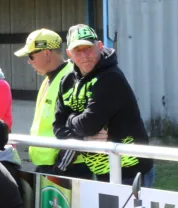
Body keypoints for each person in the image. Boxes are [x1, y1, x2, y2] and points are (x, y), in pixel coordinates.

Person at [53, 24, 154, 187]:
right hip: (100, 170)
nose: (84, 55)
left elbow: (89, 124)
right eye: (78, 50)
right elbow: (57, 127)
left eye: (88, 48)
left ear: (100, 46)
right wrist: (83, 138)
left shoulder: (111, 77)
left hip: (131, 170)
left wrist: (70, 120)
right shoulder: (67, 82)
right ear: (69, 54)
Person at [15, 28, 92, 180]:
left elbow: (78, 128)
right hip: (51, 165)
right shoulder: (50, 79)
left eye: (31, 56)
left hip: (67, 168)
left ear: (46, 53)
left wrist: (60, 167)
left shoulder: (71, 78)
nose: (29, 61)